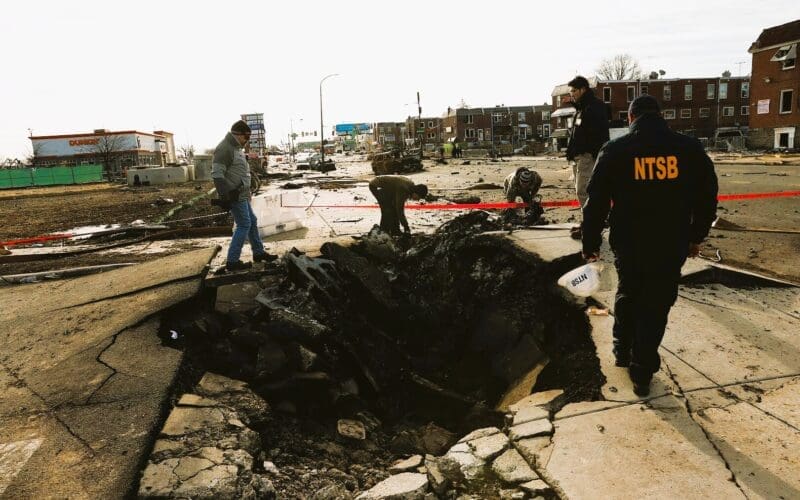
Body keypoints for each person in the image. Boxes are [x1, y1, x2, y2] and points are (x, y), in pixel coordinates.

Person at [581, 95, 718, 396]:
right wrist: (696, 235)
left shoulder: (616, 149)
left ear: (630, 118)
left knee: (629, 290)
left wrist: (590, 243)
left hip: (629, 241)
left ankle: (622, 350)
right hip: (671, 242)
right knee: (656, 301)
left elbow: (596, 203)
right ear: (661, 116)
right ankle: (642, 369)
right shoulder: (689, 149)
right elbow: (707, 198)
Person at [212, 119, 278, 271]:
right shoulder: (224, 148)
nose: (247, 141)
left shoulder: (236, 148)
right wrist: (225, 196)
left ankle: (259, 253)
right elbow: (217, 174)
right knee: (244, 225)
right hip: (233, 195)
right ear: (237, 134)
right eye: (246, 137)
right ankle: (232, 261)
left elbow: (240, 172)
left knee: (252, 221)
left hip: (242, 195)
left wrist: (247, 191)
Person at [566, 75, 610, 239]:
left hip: (588, 156)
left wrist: (594, 154)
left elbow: (599, 134)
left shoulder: (594, 107)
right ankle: (588, 224)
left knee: (584, 191)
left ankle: (591, 228)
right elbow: (576, 134)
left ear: (583, 89)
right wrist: (571, 153)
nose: (572, 94)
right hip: (579, 157)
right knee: (582, 192)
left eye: (573, 91)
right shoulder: (580, 108)